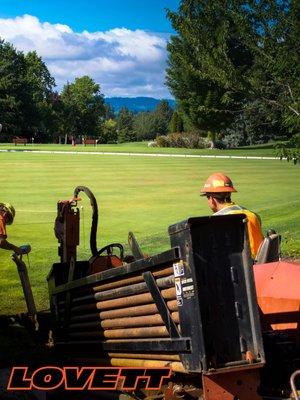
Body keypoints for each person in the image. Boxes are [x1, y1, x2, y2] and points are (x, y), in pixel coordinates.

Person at [200, 172, 264, 258]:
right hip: (262, 263)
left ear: (211, 199)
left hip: (245, 267)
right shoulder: (252, 215)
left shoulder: (217, 222)